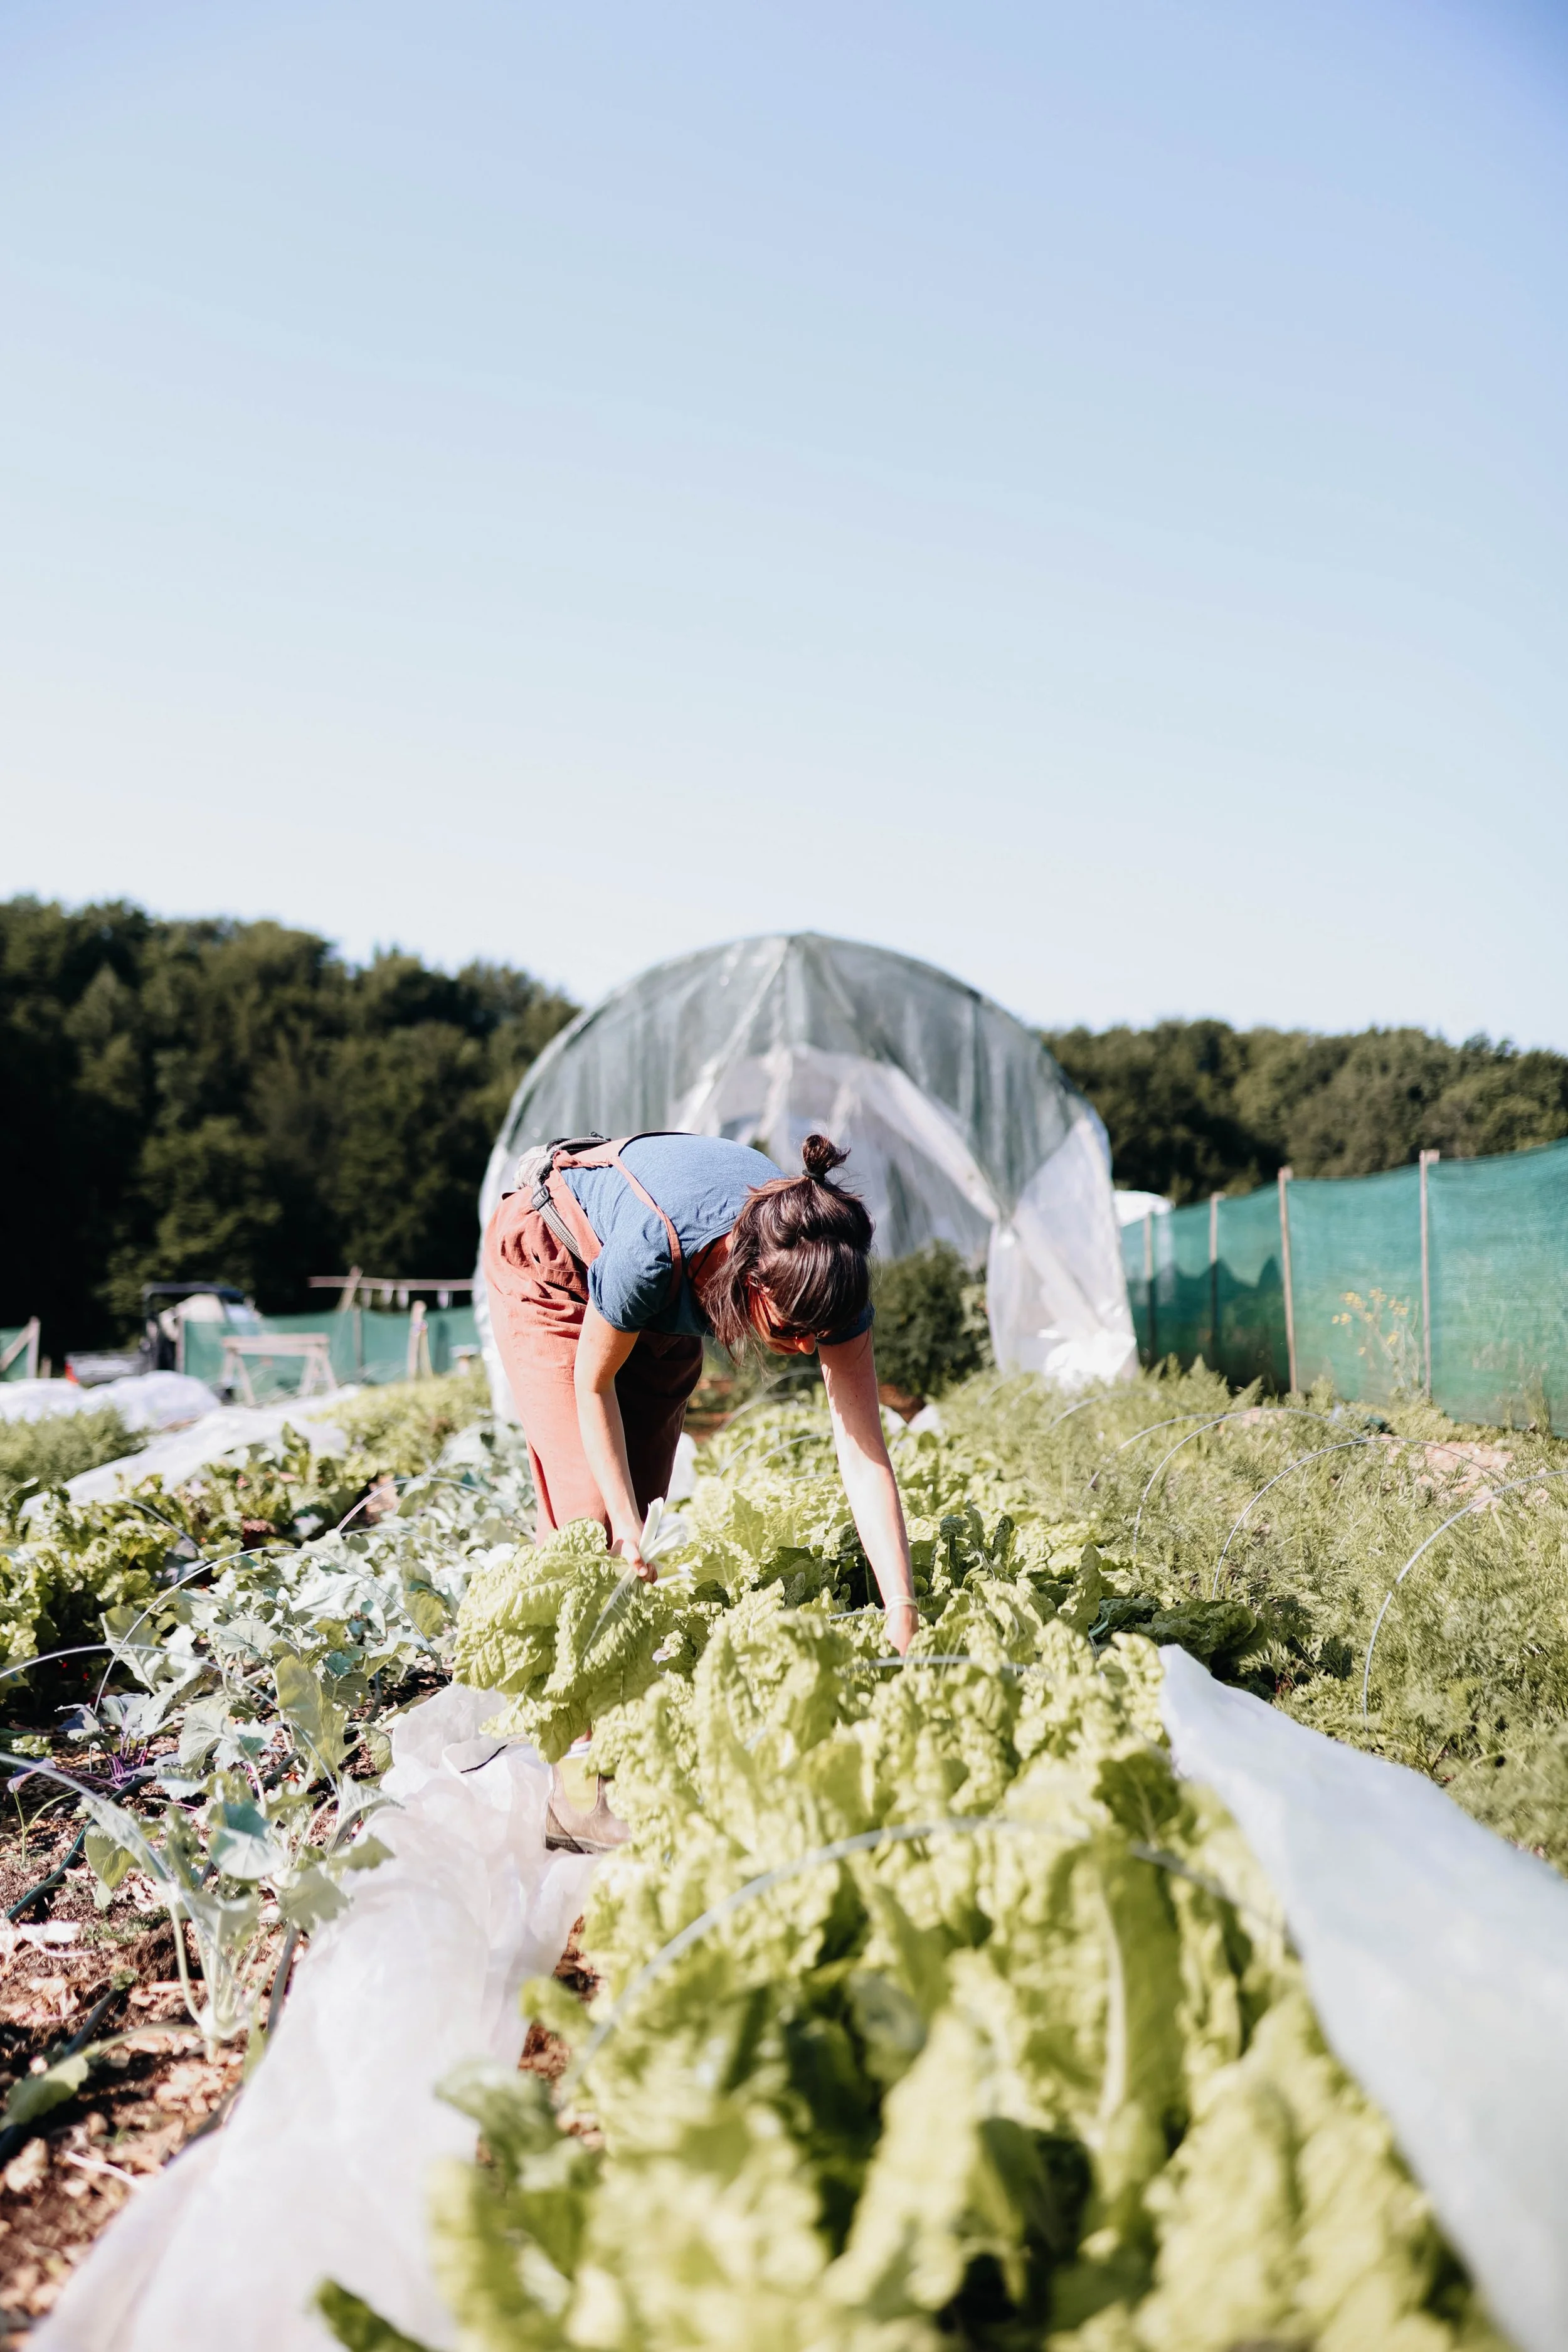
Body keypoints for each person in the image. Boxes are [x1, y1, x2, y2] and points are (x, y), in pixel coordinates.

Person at [482, 1130, 919, 1816]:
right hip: (554, 1260)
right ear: (746, 1279)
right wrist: (620, 1526)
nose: (806, 1348)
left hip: (663, 1304)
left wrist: (903, 1610)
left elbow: (865, 1453)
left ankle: (629, 1733)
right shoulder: (652, 1256)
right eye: (790, 1329)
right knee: (596, 1524)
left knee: (644, 1521)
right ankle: (576, 1788)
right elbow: (591, 1387)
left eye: (818, 1334)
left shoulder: (825, 1278)